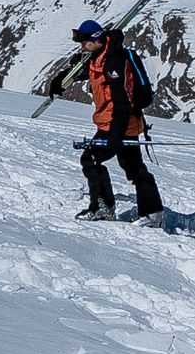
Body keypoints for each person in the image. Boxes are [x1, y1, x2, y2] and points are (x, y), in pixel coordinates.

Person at [52, 19, 163, 221]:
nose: (82, 46)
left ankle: (104, 208)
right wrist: (61, 79)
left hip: (120, 122)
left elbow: (122, 102)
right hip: (113, 122)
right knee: (133, 167)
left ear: (96, 40)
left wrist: (115, 134)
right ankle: (153, 213)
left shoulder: (115, 62)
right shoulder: (97, 57)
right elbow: (88, 72)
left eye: (84, 42)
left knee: (91, 159)